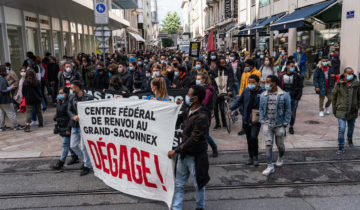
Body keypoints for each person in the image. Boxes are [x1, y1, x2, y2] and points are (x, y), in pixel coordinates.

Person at [168, 85, 210, 210]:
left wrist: (176, 150)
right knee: (179, 184)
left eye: (188, 94)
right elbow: (177, 120)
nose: (186, 96)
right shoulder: (188, 109)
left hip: (196, 157)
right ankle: (176, 208)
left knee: (199, 185)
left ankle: (199, 207)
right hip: (184, 155)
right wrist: (173, 108)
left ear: (195, 98)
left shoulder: (202, 117)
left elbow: (194, 139)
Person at [228, 74, 264, 166]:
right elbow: (239, 101)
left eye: (253, 82)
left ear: (257, 83)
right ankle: (250, 156)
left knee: (253, 137)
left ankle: (255, 157)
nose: (251, 84)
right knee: (249, 139)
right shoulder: (246, 91)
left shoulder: (262, 92)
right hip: (246, 119)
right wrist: (231, 108)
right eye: (249, 82)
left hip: (256, 119)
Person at [259, 75, 291, 176]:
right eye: (265, 82)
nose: (266, 84)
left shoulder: (284, 95)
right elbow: (261, 109)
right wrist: (262, 120)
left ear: (274, 83)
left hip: (279, 124)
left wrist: (285, 123)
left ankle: (280, 157)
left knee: (280, 145)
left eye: (268, 82)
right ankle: (270, 166)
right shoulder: (263, 95)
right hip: (267, 124)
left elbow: (288, 110)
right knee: (268, 144)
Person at [68, 80, 94, 176]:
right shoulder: (72, 98)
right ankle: (86, 160)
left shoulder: (89, 97)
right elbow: (69, 110)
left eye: (72, 87)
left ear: (78, 87)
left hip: (85, 126)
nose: (71, 89)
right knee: (73, 145)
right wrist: (73, 116)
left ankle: (87, 165)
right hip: (75, 125)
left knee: (83, 147)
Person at [332, 67, 360, 154]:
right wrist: (334, 109)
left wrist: (357, 106)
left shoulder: (357, 84)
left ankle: (349, 139)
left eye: (352, 73)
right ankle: (341, 146)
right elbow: (334, 96)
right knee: (342, 128)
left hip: (353, 110)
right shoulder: (339, 84)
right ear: (344, 74)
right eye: (349, 73)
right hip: (341, 110)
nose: (350, 75)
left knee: (351, 128)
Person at [51, 87, 79, 170]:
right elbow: (58, 112)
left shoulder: (69, 103)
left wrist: (69, 129)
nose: (60, 95)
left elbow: (71, 116)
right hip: (61, 125)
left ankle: (61, 162)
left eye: (62, 93)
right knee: (69, 144)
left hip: (68, 126)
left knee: (65, 144)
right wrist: (55, 117)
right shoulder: (59, 102)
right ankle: (74, 157)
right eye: (59, 93)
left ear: (67, 93)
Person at [278, 61, 303, 134]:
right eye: (291, 66)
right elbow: (279, 87)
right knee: (283, 113)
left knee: (293, 113)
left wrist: (298, 97)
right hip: (283, 98)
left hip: (294, 98)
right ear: (287, 66)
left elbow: (300, 87)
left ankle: (291, 126)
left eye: (294, 66)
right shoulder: (281, 76)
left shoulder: (297, 76)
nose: (293, 68)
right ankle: (284, 127)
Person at [196, 72, 218, 157]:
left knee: (205, 135)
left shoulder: (208, 91)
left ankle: (214, 147)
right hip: (200, 114)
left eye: (199, 79)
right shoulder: (200, 88)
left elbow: (203, 102)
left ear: (204, 80)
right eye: (196, 79)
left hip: (205, 115)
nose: (197, 81)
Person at [0, 65, 24, 131]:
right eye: (6, 69)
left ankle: (1, 126)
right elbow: (3, 89)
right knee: (11, 112)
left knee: (2, 113)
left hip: (1, 100)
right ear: (3, 71)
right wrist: (11, 87)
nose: (7, 70)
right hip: (4, 99)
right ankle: (16, 126)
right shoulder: (2, 79)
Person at [213, 57, 234, 130]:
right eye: (222, 63)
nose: (224, 64)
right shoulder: (214, 70)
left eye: (224, 62)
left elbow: (231, 80)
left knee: (222, 108)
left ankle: (224, 123)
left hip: (224, 91)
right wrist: (216, 92)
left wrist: (229, 89)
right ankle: (217, 123)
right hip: (216, 92)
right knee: (215, 108)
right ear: (218, 63)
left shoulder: (228, 69)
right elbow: (213, 82)